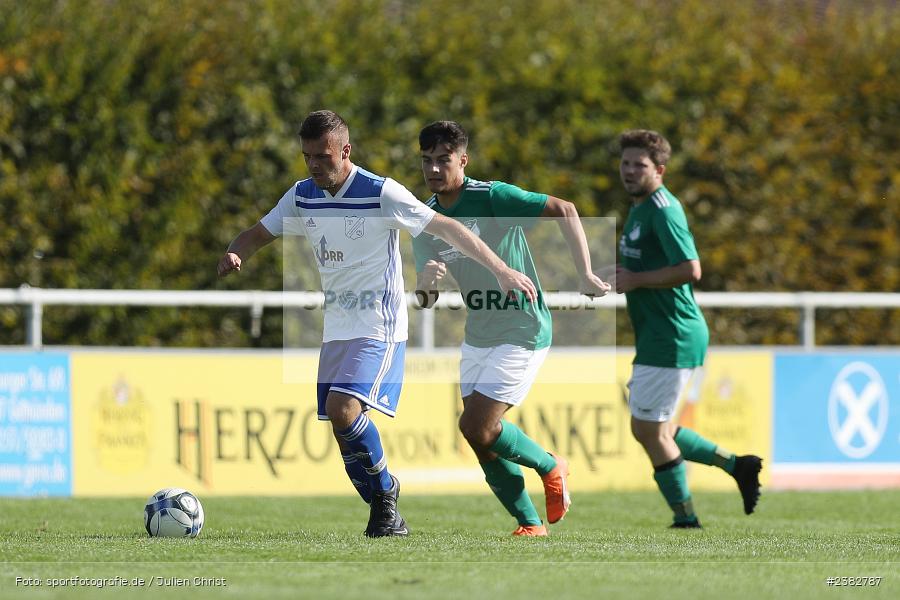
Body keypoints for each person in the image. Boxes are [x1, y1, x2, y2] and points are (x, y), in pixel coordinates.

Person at [218, 110, 537, 538]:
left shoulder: (380, 192)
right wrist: (236, 251)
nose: (314, 165)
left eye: (323, 156)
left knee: (343, 409)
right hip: (337, 328)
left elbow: (448, 228)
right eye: (307, 156)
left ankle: (387, 497)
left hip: (379, 324)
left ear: (345, 151)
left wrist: (500, 270)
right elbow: (258, 233)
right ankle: (385, 505)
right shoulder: (301, 195)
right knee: (342, 426)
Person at [412, 121, 611, 536]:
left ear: (462, 161)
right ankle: (530, 524)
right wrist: (428, 283)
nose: (433, 169)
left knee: (476, 426)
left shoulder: (492, 196)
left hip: (523, 326)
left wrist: (586, 274)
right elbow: (425, 300)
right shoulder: (426, 219)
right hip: (479, 332)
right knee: (479, 436)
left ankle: (550, 464)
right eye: (426, 160)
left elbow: (566, 209)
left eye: (443, 160)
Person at [611, 129, 762, 528]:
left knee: (648, 430)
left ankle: (686, 519)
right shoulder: (640, 207)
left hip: (673, 334)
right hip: (659, 333)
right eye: (625, 163)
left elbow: (690, 269)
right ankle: (737, 466)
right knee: (654, 427)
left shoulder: (663, 208)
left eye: (639, 165)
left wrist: (637, 281)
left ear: (659, 169)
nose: (629, 171)